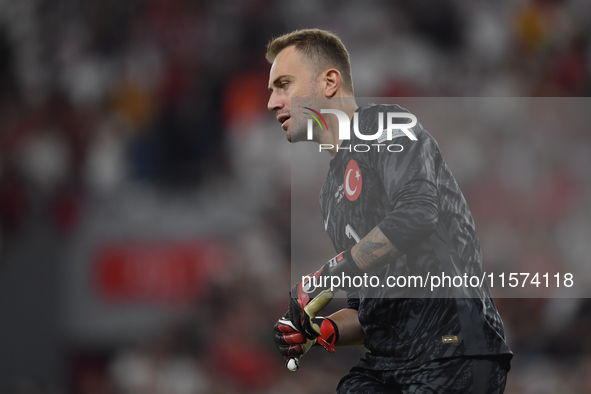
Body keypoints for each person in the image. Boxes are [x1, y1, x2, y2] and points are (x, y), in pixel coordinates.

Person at [266, 28, 512, 394]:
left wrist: (327, 274)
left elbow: (416, 214)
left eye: (283, 84)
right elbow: (369, 311)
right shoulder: (329, 197)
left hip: (452, 350)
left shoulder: (386, 126)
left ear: (330, 81)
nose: (272, 102)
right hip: (390, 363)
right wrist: (321, 331)